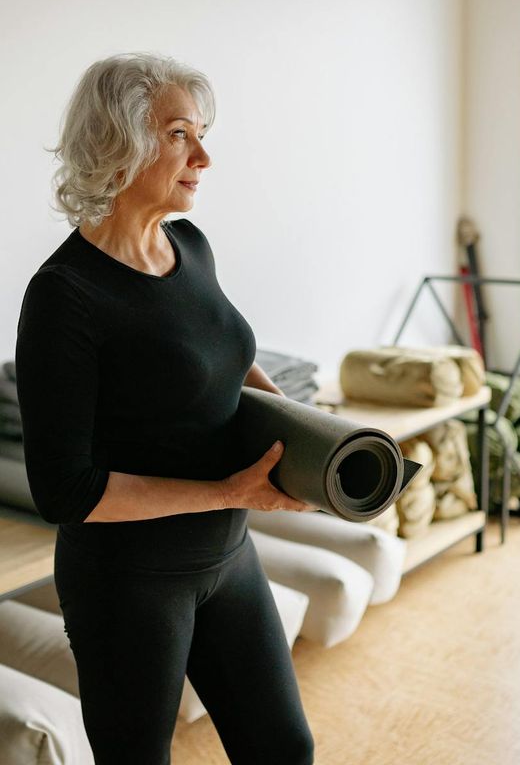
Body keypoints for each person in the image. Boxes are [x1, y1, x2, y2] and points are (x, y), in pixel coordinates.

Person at [15, 52, 316, 765]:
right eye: (181, 133)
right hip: (129, 583)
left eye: (201, 133)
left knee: (284, 748)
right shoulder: (64, 296)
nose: (204, 156)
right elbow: (67, 490)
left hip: (226, 557)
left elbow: (226, 354)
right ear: (118, 141)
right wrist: (225, 490)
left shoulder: (190, 245)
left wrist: (314, 437)